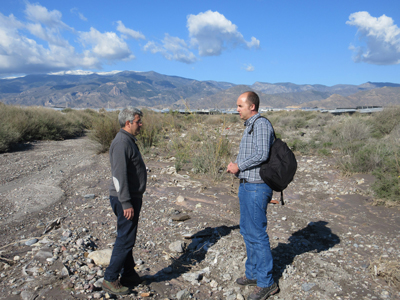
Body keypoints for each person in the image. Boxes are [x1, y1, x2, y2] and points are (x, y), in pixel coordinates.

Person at [227, 92, 279, 300]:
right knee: (247, 231)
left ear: (252, 106)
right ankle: (254, 274)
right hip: (247, 185)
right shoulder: (250, 125)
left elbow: (262, 153)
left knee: (257, 234)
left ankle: (267, 283)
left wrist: (239, 165)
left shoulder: (261, 125)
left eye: (240, 106)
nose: (237, 109)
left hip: (257, 187)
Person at [102, 107, 147, 295]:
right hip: (124, 199)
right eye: (138, 121)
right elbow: (119, 176)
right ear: (128, 123)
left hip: (128, 198)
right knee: (125, 239)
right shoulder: (121, 142)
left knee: (127, 236)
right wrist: (126, 202)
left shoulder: (127, 140)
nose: (141, 124)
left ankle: (128, 274)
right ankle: (110, 278)